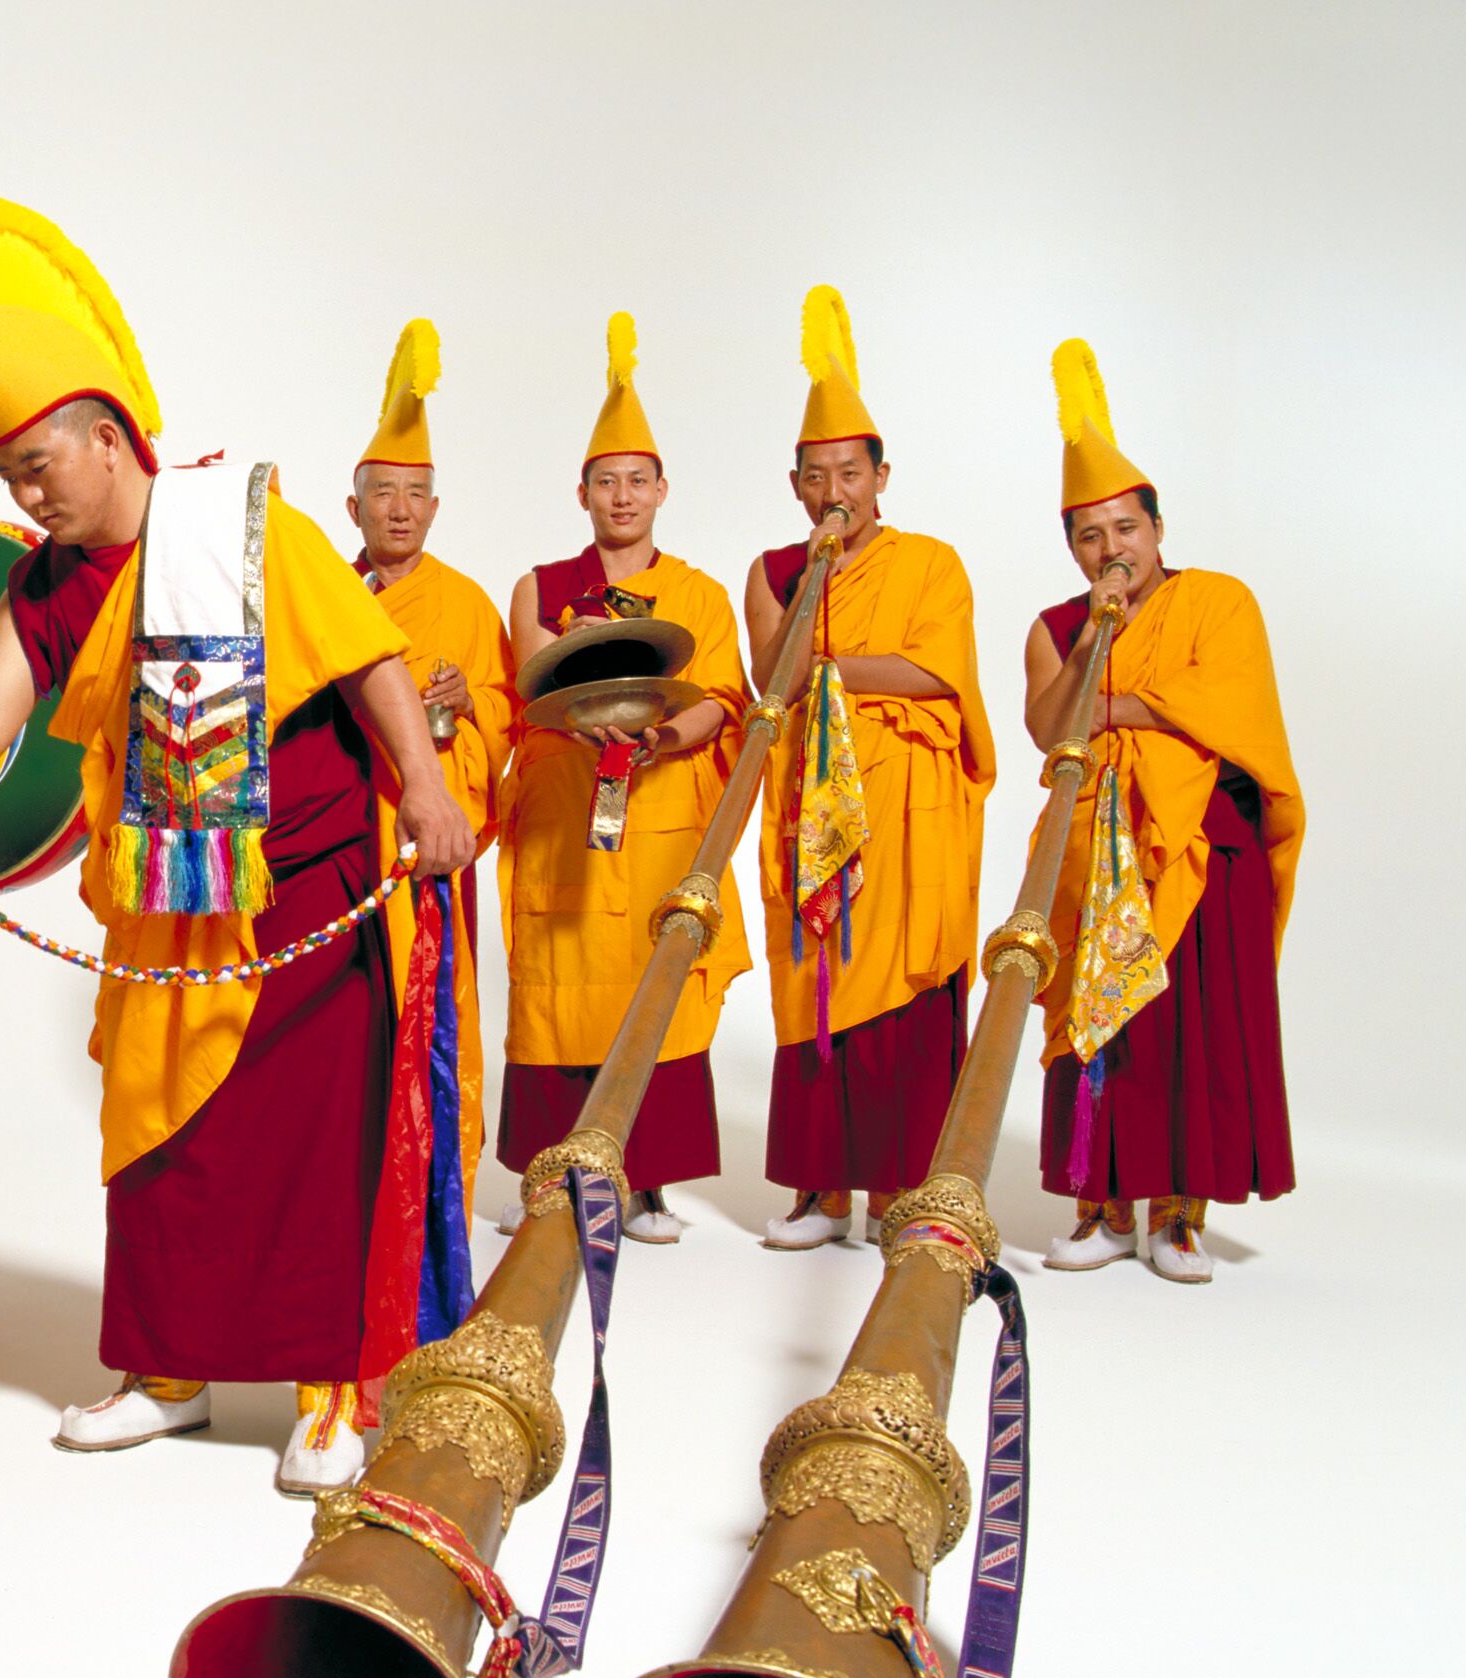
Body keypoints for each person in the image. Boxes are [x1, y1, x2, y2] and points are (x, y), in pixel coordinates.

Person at [0, 196, 473, 1498]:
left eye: (41, 466)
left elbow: (370, 659)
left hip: (308, 881)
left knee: (317, 1148)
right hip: (170, 899)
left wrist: (429, 788)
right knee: (164, 1147)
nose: (27, 496)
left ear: (108, 439)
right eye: (10, 479)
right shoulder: (42, 585)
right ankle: (168, 1374)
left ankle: (334, 1394)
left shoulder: (240, 521)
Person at [1024, 339, 1301, 1281]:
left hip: (1200, 844)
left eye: (1125, 531)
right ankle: (1102, 1208)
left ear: (1157, 526)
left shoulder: (1219, 603)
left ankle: (1179, 1215)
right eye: (1091, 538)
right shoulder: (1059, 628)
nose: (1113, 551)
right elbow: (1048, 726)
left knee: (1192, 1028)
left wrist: (1112, 703)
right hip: (1095, 848)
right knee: (1106, 1021)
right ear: (1074, 550)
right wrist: (1104, 652)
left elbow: (1225, 711)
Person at [745, 286, 995, 1249]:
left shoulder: (931, 563)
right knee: (817, 970)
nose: (833, 491)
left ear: (882, 474)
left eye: (850, 471)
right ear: (796, 485)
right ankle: (819, 1190)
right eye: (816, 476)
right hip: (815, 806)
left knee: (908, 990)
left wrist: (831, 668)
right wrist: (816, 579)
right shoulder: (776, 569)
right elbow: (773, 677)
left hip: (907, 810)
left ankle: (901, 1194)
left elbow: (937, 675)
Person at [498, 313, 751, 1242]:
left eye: (637, 480)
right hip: (567, 815)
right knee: (563, 989)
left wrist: (664, 739)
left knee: (656, 976)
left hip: (660, 815)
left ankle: (645, 1183)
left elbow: (722, 696)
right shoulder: (539, 586)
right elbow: (532, 689)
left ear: (662, 491)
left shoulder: (701, 594)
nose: (622, 496)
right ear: (583, 492)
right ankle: (555, 1175)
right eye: (607, 481)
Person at [343, 321, 515, 1246]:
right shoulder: (330, 596)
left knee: (435, 1018)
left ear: (435, 509)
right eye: (383, 495)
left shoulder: (470, 601)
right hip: (341, 847)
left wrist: (468, 703)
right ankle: (353, 1174)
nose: (400, 511)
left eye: (415, 496)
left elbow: (509, 716)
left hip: (432, 847)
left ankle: (437, 1177)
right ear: (353, 506)